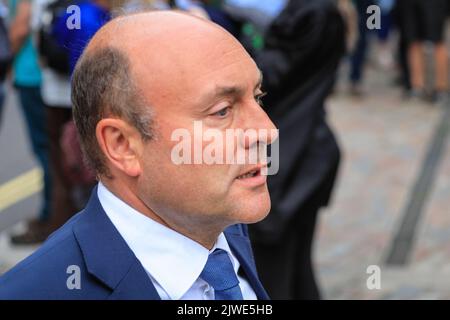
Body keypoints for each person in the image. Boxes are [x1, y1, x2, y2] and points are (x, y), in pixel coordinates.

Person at [0, 10, 275, 300]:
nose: (267, 131)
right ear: (122, 145)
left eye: (257, 97)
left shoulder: (225, 226)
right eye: (222, 111)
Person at [247, 0, 346, 299]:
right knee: (291, 267)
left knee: (276, 269)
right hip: (299, 149)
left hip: (292, 156)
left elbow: (270, 76)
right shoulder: (315, 10)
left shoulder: (313, 12)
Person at [8, 0, 52, 244]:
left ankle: (49, 217)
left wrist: (7, 60)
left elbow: (21, 27)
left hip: (31, 75)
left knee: (45, 149)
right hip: (43, 75)